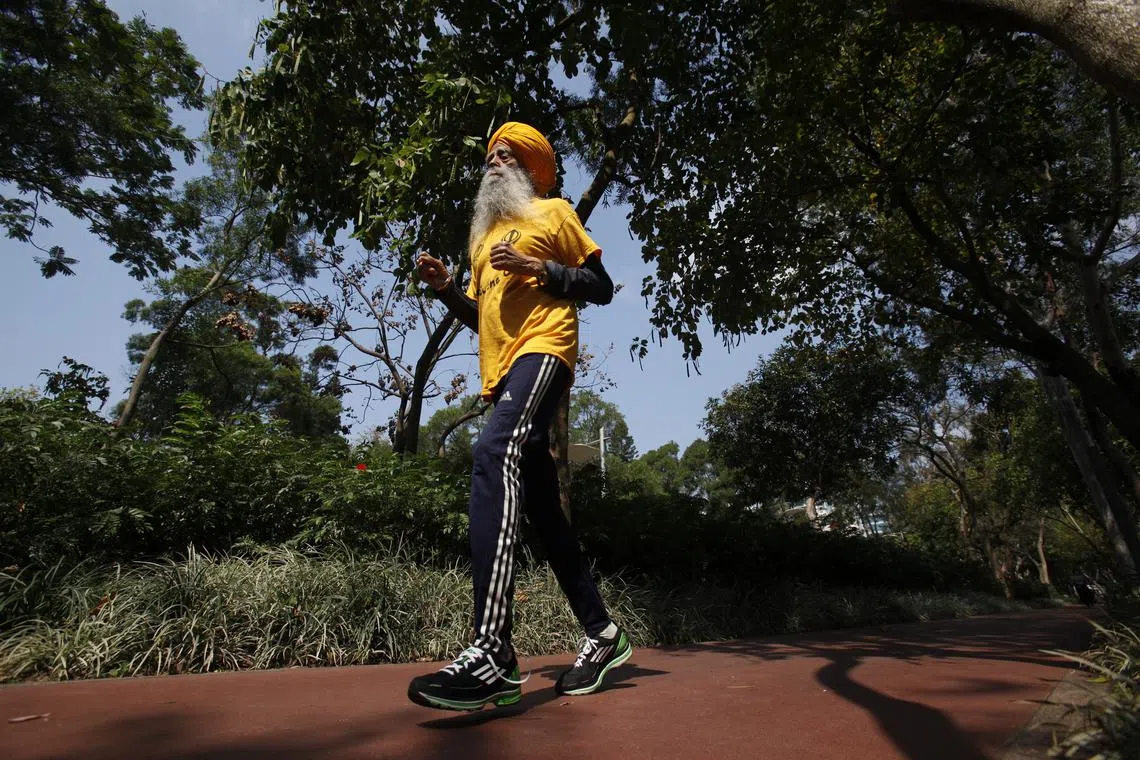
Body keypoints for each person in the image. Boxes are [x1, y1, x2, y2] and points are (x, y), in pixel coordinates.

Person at [407, 122, 632, 712]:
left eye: (507, 155)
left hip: (545, 346)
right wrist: (447, 289)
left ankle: (492, 653)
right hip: (502, 370)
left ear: (530, 170)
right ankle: (605, 634)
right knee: (543, 511)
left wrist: (538, 265)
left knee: (491, 453)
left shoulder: (554, 213)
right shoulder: (481, 240)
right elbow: (481, 314)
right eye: (489, 155)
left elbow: (601, 287)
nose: (495, 161)